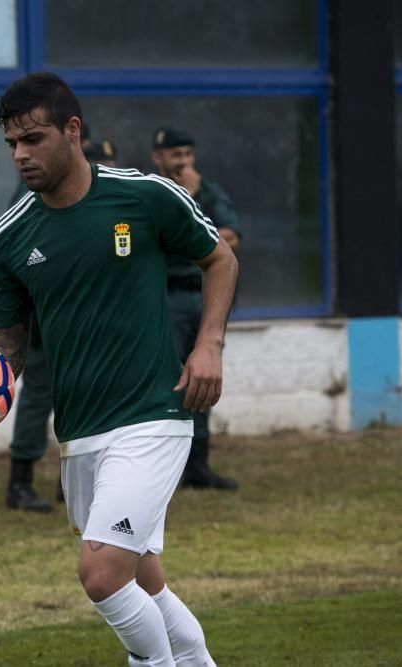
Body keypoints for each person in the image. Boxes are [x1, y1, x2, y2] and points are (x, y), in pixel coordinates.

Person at [0, 73, 238, 666]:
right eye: (11, 144)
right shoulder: (9, 237)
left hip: (155, 414)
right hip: (79, 433)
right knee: (144, 579)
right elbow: (9, 346)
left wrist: (209, 345)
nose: (21, 154)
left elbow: (219, 257)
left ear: (72, 131)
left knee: (101, 573)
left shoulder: (145, 195)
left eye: (33, 138)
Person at [5, 136, 121, 513]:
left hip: (95, 324)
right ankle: (20, 481)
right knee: (39, 396)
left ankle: (69, 481)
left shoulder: (111, 200)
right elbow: (19, 259)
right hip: (46, 323)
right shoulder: (33, 198)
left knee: (90, 397)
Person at [151, 127, 242, 491]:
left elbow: (233, 235)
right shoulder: (148, 191)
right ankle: (164, 467)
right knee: (170, 381)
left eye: (188, 155)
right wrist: (186, 203)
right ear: (158, 157)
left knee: (204, 376)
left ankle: (198, 464)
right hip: (166, 297)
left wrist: (192, 232)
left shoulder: (209, 190)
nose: (184, 162)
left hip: (203, 295)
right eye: (176, 156)